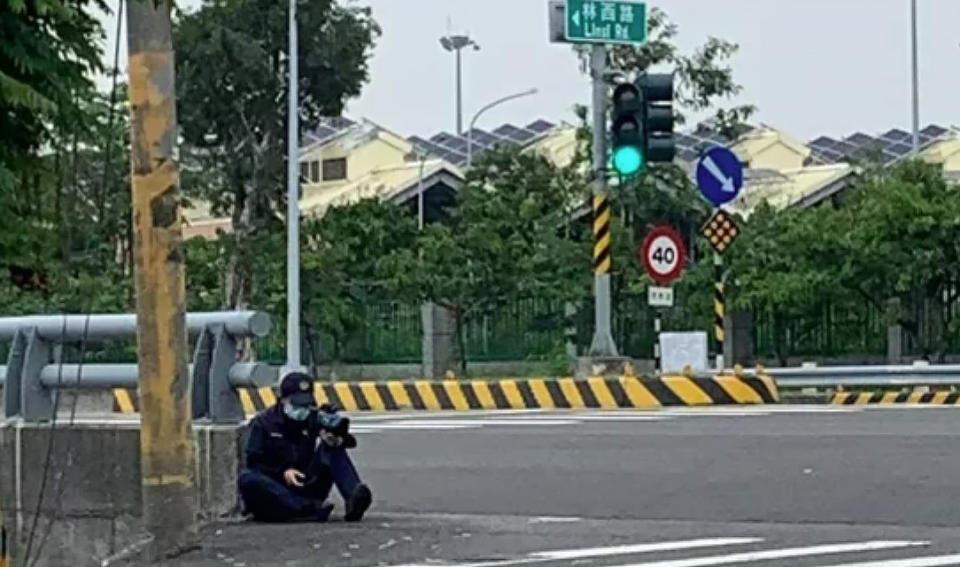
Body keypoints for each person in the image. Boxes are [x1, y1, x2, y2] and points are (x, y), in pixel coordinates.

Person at [238, 372, 373, 522]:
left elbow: (348, 442)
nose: (303, 410)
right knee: (248, 479)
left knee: (330, 450)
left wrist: (336, 438)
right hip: (277, 488)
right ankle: (305, 509)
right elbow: (254, 462)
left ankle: (353, 497)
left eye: (306, 404)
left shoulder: (311, 418)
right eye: (298, 405)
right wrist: (283, 471)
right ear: (283, 400)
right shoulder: (263, 423)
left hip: (305, 481)